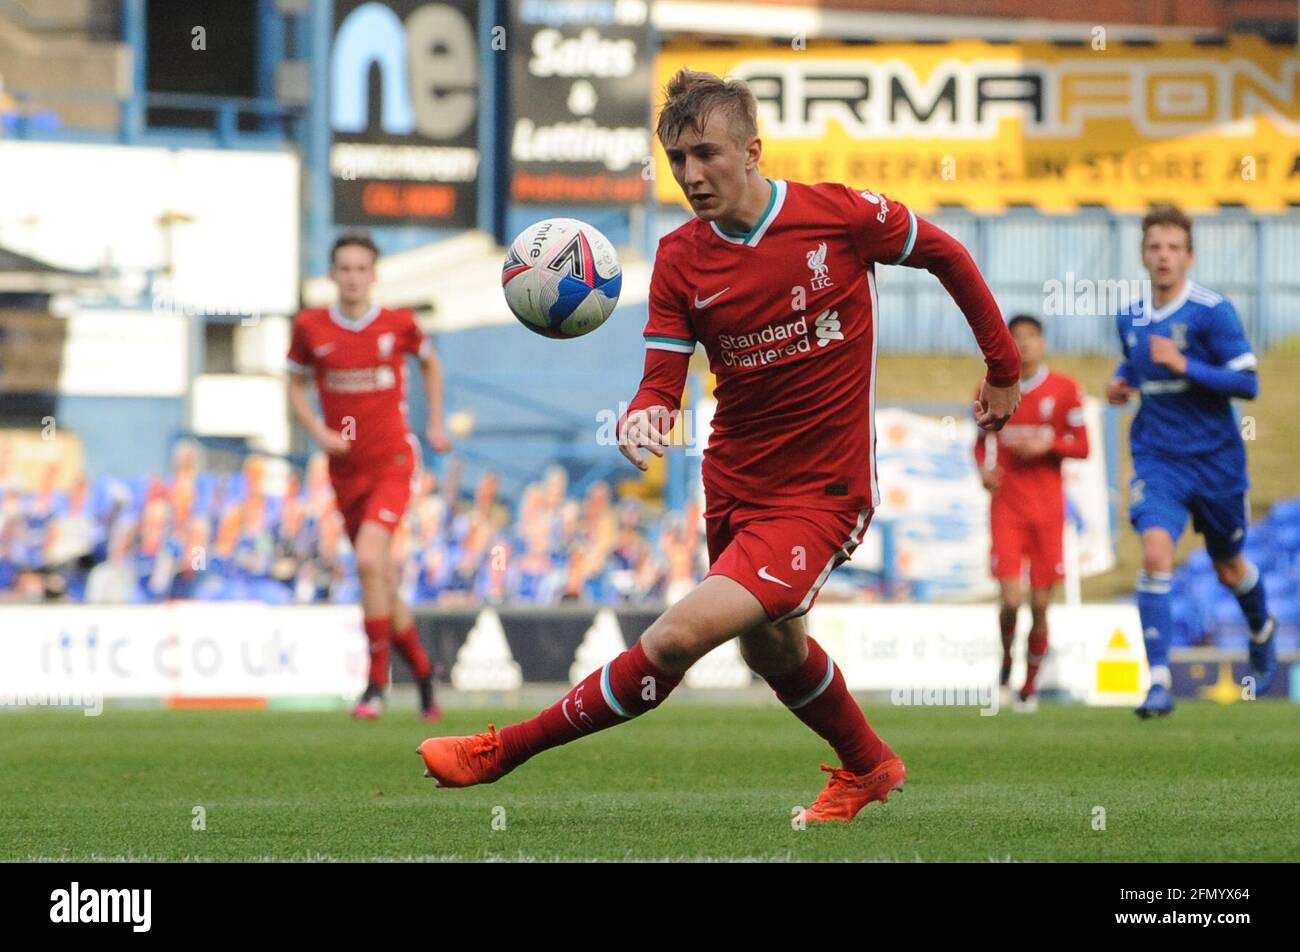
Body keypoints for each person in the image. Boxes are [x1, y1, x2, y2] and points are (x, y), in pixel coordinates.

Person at [419, 69, 1019, 822]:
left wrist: (1003, 367)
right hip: (733, 484)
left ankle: (502, 752)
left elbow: (947, 255)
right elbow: (662, 377)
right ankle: (869, 767)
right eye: (677, 160)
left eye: (706, 154)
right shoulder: (679, 258)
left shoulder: (838, 217)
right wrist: (646, 413)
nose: (692, 175)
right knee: (772, 650)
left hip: (822, 496)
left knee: (675, 637)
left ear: (753, 150)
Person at [1108, 205, 1276, 718]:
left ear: (1189, 256)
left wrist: (1186, 364)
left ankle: (1260, 628)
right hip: (1158, 459)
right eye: (1154, 247)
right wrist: (1121, 384)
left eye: (1173, 248)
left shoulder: (1212, 311)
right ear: (1142, 254)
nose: (1163, 256)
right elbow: (1136, 366)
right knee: (1155, 552)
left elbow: (1247, 383)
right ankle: (1158, 680)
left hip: (1217, 464)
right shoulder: (1129, 316)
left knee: (1229, 568)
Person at [287, 233, 452, 720]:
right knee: (376, 573)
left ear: (374, 275)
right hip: (345, 470)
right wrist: (317, 429)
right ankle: (423, 674)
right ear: (332, 274)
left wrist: (437, 421)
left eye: (362, 268)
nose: (353, 277)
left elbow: (431, 363)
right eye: (345, 268)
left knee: (366, 556)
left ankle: (375, 686)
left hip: (394, 462)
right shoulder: (310, 326)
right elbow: (294, 381)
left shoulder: (398, 323)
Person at [974, 315, 1089, 711]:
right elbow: (978, 442)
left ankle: (1030, 686)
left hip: (1048, 513)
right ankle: (1006, 659)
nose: (1023, 345)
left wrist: (1050, 445)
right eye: (1015, 338)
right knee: (1011, 600)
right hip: (1006, 507)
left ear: (1043, 343)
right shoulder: (992, 388)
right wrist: (984, 471)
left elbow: (1083, 446)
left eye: (1030, 338)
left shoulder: (1066, 390)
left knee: (1040, 604)